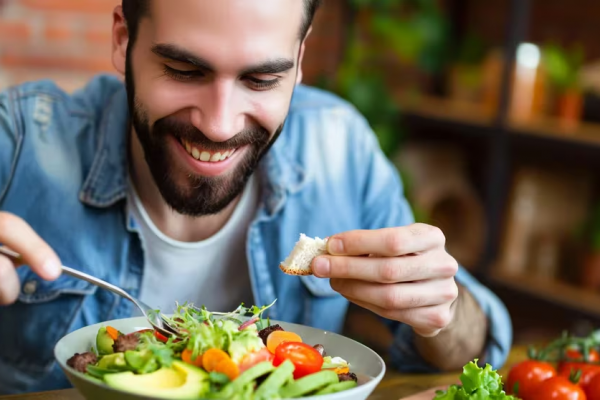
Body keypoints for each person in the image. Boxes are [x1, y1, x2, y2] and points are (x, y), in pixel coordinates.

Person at [0, 0, 512, 394]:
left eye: (262, 79)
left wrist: (442, 312)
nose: (219, 125)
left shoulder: (340, 148)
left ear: (300, 59)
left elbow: (465, 348)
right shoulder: (21, 141)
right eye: (184, 71)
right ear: (122, 37)